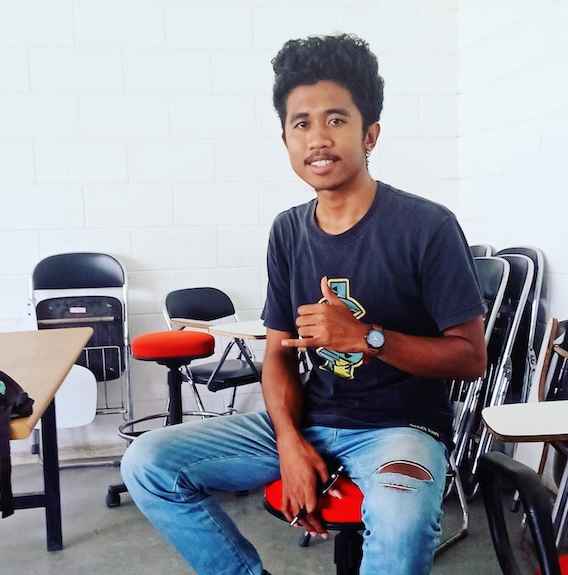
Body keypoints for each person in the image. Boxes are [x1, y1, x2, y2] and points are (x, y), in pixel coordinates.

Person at [121, 33, 487, 575]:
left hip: (401, 429)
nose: (318, 138)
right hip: (307, 418)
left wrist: (367, 338)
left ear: (371, 134)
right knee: (149, 463)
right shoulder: (288, 231)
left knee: (402, 522)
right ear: (287, 140)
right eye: (301, 123)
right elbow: (278, 356)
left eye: (336, 119)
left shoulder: (425, 226)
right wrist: (289, 443)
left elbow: (469, 357)